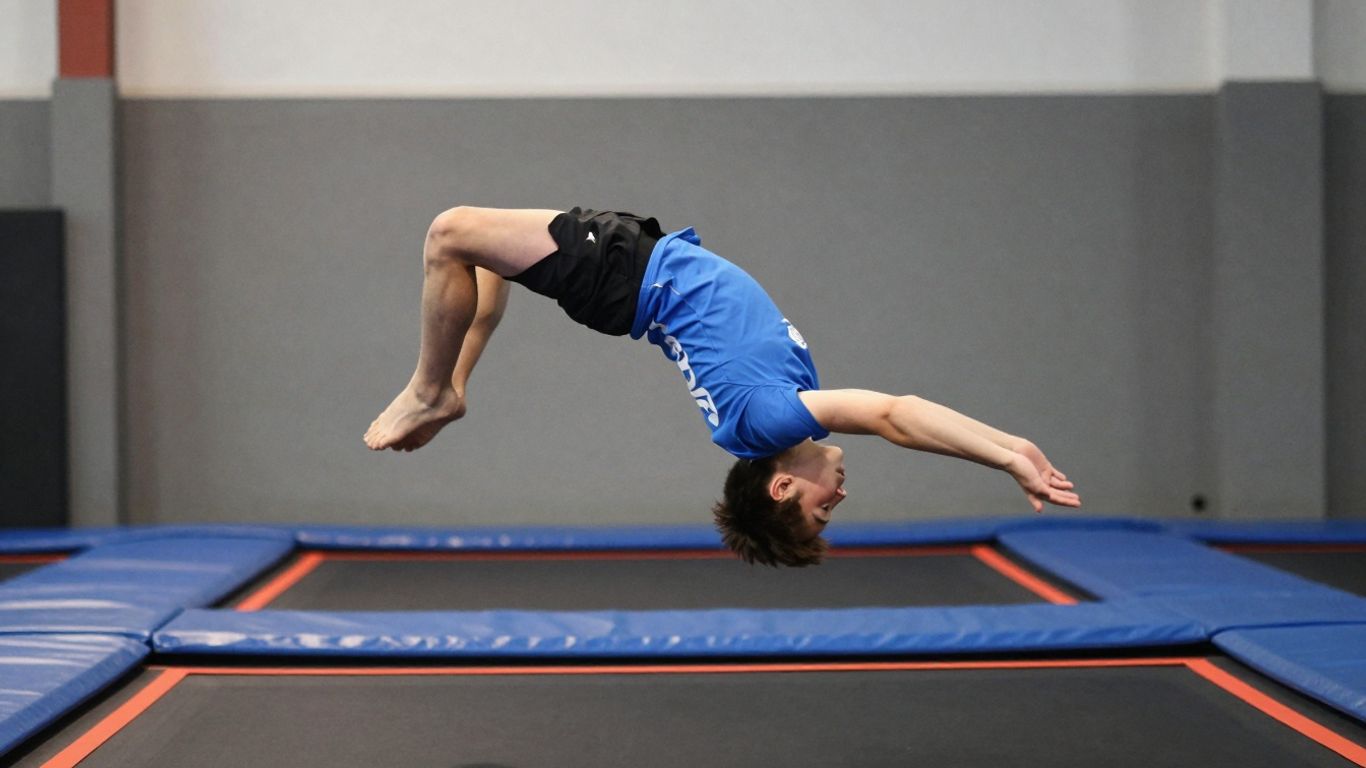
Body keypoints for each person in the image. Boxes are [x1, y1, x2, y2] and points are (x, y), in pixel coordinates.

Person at [364, 207, 1080, 566]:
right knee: (485, 267)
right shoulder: (781, 419)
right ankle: (451, 382)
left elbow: (896, 414)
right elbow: (895, 414)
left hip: (624, 273)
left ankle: (434, 390)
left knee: (448, 234)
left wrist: (1005, 460)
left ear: (780, 488)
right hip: (633, 266)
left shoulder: (767, 424)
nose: (840, 499)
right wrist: (1010, 442)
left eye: (820, 513)